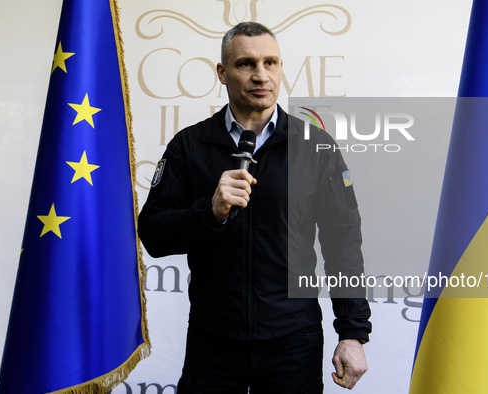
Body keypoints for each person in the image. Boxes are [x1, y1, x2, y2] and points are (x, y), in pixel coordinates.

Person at [138, 22, 371, 393]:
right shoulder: (190, 146)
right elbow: (152, 233)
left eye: (271, 62)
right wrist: (209, 211)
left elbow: (343, 244)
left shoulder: (315, 146)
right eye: (246, 63)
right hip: (213, 341)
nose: (261, 75)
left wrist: (353, 333)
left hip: (293, 340)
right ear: (222, 73)